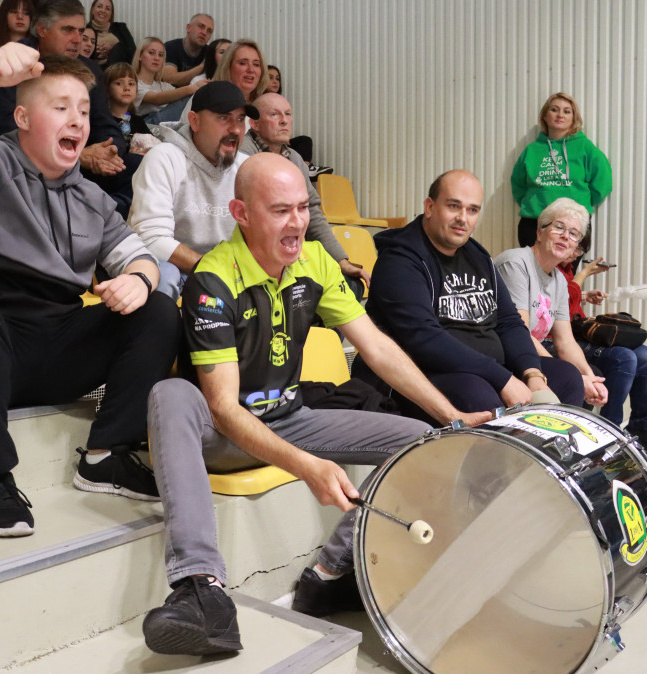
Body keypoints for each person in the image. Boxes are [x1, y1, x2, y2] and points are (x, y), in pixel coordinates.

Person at [139, 153, 492, 656]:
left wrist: (450, 416)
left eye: (303, 208)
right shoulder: (212, 280)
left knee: (424, 441)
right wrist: (308, 467)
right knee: (171, 393)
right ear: (241, 214)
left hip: (290, 418)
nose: (298, 223)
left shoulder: (313, 260)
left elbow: (378, 347)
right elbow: (222, 409)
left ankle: (330, 572)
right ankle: (201, 591)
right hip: (226, 435)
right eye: (281, 210)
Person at [0, 43, 180, 537]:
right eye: (60, 108)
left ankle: (105, 456)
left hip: (58, 343)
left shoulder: (94, 199)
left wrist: (137, 281)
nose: (77, 121)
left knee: (160, 310)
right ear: (22, 117)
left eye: (83, 110)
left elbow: (141, 257)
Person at [354, 170, 584, 421]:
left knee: (566, 377)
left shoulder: (477, 255)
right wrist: (502, 378)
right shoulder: (399, 261)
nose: (463, 219)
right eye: (454, 206)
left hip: (484, 369)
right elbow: (424, 339)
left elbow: (509, 321)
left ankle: (544, 457)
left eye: (473, 210)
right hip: (421, 374)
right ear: (430, 207)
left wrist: (532, 374)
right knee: (480, 398)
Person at [0, 0, 138, 216]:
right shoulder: (14, 62)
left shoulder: (90, 69)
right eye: (67, 30)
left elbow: (105, 124)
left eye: (81, 32)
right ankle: (92, 213)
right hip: (28, 165)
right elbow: (1, 128)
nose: (77, 39)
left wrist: (109, 150)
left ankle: (96, 215)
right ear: (42, 29)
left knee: (138, 167)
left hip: (82, 165)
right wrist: (76, 155)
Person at [128, 80, 257, 300]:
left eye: (240, 119)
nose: (235, 129)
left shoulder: (249, 168)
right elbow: (150, 238)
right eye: (223, 118)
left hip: (228, 274)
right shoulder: (164, 158)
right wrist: (212, 270)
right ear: (194, 121)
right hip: (174, 269)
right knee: (162, 274)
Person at [241, 92, 371, 290]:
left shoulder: (294, 157)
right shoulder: (244, 153)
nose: (284, 121)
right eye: (274, 115)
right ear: (255, 124)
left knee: (350, 284)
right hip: (258, 254)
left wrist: (341, 261)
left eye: (288, 114)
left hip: (292, 250)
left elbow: (314, 212)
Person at [493, 198, 611, 411]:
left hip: (531, 354)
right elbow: (519, 332)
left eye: (574, 234)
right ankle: (554, 441)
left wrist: (590, 378)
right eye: (559, 227)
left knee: (593, 373)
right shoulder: (515, 263)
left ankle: (576, 438)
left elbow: (565, 342)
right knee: (568, 376)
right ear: (539, 232)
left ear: (576, 245)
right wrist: (570, 372)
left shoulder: (559, 280)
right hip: (507, 353)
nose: (566, 236)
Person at [559, 236, 647, 456]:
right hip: (561, 337)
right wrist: (584, 274)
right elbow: (562, 298)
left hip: (577, 330)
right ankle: (609, 432)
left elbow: (569, 300)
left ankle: (641, 427)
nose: (575, 253)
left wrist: (586, 295)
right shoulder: (550, 266)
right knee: (624, 357)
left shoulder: (567, 267)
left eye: (580, 249)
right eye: (575, 247)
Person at [511, 92, 612, 247]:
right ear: (545, 116)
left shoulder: (586, 148)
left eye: (567, 111)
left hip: (573, 225)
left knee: (566, 272)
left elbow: (602, 181)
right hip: (534, 223)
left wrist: (580, 203)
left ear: (574, 118)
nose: (560, 115)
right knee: (531, 270)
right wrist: (534, 203)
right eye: (554, 110)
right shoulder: (531, 150)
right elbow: (518, 184)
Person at [132, 36, 203, 125]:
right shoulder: (133, 83)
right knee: (190, 98)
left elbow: (178, 96)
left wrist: (199, 86)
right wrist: (190, 89)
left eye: (161, 55)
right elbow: (156, 98)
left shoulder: (163, 85)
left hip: (164, 124)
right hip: (146, 124)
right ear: (140, 56)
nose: (157, 58)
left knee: (194, 99)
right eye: (151, 53)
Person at [104, 62, 151, 155]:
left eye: (131, 83)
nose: (127, 88)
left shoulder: (138, 121)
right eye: (119, 83)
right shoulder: (103, 120)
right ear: (107, 89)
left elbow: (152, 145)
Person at [162, 13, 214, 86]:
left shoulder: (210, 52)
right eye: (201, 26)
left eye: (209, 31)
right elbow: (169, 79)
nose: (204, 32)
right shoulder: (170, 47)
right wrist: (202, 67)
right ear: (188, 28)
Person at [86, 0, 135, 68]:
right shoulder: (85, 31)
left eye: (107, 9)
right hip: (95, 71)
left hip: (118, 70)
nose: (103, 11)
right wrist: (95, 51)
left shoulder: (120, 28)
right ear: (92, 10)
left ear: (111, 13)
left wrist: (113, 49)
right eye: (99, 6)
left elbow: (133, 51)